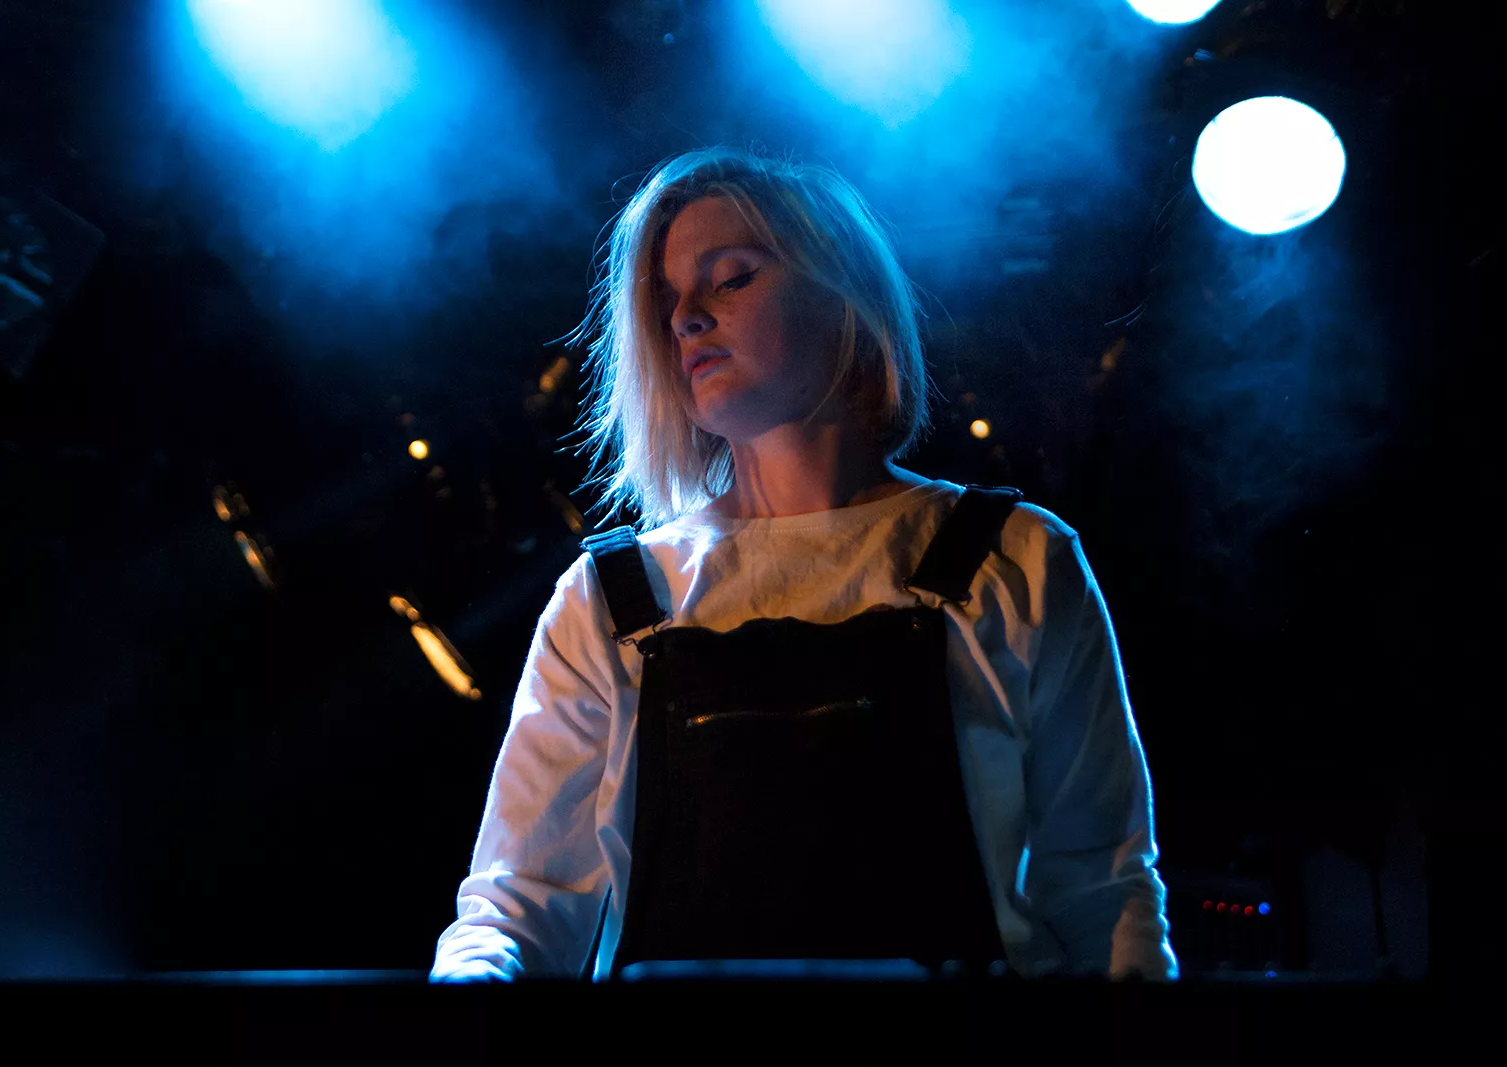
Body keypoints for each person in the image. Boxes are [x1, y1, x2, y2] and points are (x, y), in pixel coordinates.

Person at [430, 146, 1179, 982]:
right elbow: (514, 909)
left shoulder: (1017, 557)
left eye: (731, 278)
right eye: (668, 302)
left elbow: (1105, 894)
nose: (685, 320)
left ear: (843, 294)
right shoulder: (610, 598)